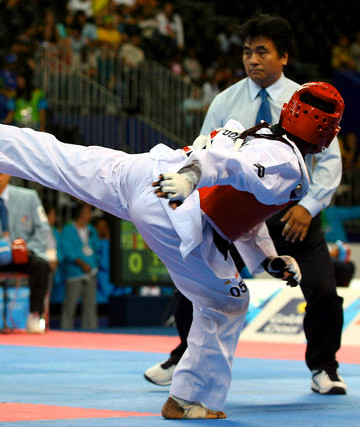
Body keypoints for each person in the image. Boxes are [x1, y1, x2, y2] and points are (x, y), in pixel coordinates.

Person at [0, 79, 343, 418]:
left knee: (55, 156)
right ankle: (187, 399)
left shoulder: (263, 133)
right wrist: (192, 177)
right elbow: (229, 167)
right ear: (328, 134)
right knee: (227, 303)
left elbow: (243, 207)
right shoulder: (288, 166)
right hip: (174, 204)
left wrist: (267, 259)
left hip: (146, 171)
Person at [143, 14, 348, 397]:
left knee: (323, 290)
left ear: (284, 56)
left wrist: (307, 207)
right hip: (235, 215)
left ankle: (325, 366)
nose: (252, 60)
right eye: (247, 52)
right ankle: (184, 356)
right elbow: (204, 150)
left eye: (262, 52)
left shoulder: (309, 99)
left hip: (294, 216)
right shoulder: (227, 100)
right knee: (194, 285)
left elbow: (331, 162)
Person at [0, 167, 51, 334]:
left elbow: (43, 229)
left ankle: (35, 315)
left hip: (24, 252)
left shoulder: (29, 197)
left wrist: (27, 248)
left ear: (8, 174)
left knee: (41, 265)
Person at [59, 201, 100, 330]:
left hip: (90, 273)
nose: (90, 214)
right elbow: (67, 250)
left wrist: (93, 265)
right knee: (70, 305)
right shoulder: (68, 229)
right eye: (88, 212)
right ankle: (65, 332)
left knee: (90, 306)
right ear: (81, 213)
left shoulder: (92, 230)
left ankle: (91, 333)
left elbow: (95, 249)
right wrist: (82, 264)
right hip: (74, 273)